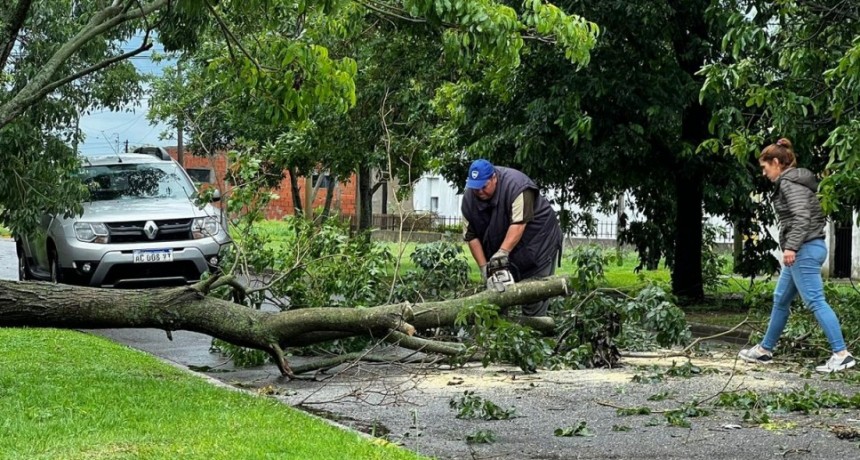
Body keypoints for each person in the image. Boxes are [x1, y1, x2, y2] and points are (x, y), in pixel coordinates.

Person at [738, 138, 855, 373]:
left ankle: (841, 354)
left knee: (815, 301)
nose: (764, 173)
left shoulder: (790, 184)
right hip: (805, 248)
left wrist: (790, 248)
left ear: (776, 162)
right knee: (781, 299)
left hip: (804, 250)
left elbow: (802, 218)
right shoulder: (792, 181)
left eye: (765, 167)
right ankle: (764, 350)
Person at [461, 159, 562, 317]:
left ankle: (535, 333)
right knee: (496, 297)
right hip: (505, 242)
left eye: (483, 186)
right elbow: (471, 236)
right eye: (475, 187)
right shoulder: (468, 200)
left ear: (494, 178)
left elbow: (518, 223)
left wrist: (502, 252)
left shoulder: (518, 187)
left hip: (538, 243)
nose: (479, 191)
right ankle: (501, 337)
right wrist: (484, 268)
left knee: (533, 296)